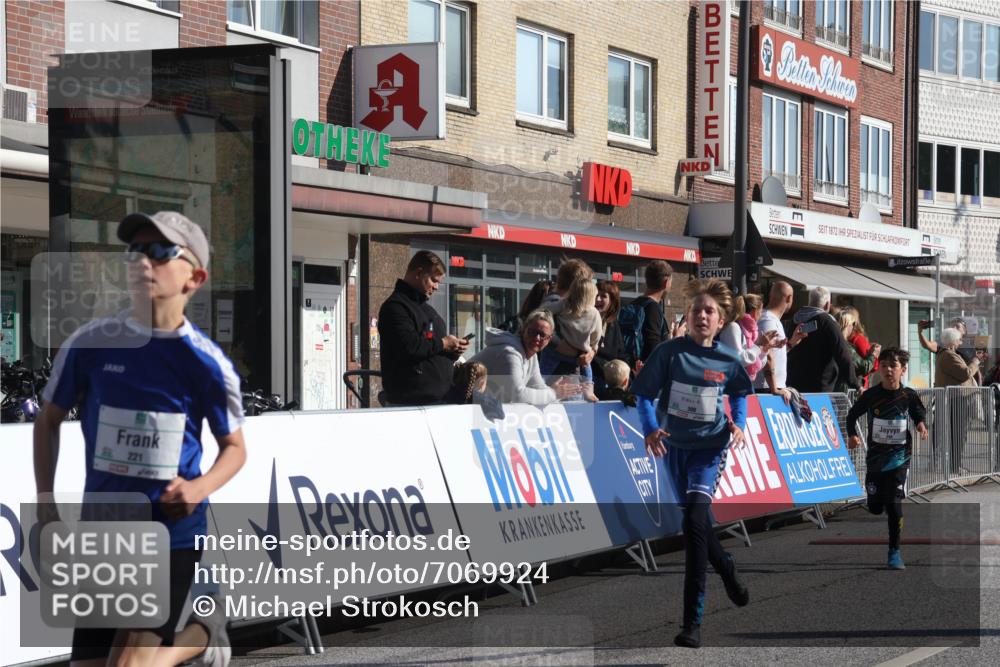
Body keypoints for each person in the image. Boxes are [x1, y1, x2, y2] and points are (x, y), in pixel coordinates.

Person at [34, 211, 246, 667]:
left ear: (196, 277)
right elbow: (47, 420)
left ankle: (199, 636)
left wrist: (198, 488)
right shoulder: (90, 344)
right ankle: (201, 636)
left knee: (129, 665)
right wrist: (46, 500)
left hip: (170, 533)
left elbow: (235, 449)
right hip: (105, 530)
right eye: (135, 252)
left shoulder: (206, 362)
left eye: (160, 252)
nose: (142, 262)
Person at [631, 278, 754, 649]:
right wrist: (651, 429)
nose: (702, 315)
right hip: (675, 450)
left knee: (695, 520)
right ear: (687, 315)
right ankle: (727, 567)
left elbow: (740, 394)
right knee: (695, 525)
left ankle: (692, 624)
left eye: (710, 311)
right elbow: (644, 396)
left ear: (720, 322)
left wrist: (740, 425)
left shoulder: (728, 359)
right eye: (697, 309)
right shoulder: (669, 353)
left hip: (709, 449)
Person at [846, 347, 929, 570]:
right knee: (875, 507)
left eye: (893, 366)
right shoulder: (871, 396)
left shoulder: (908, 395)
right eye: (884, 366)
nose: (888, 370)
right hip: (875, 459)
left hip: (900, 458)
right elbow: (852, 416)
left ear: (903, 369)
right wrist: (852, 435)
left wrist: (921, 424)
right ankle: (878, 500)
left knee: (894, 505)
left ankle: (895, 552)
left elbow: (918, 413)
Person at [377, 251, 469, 405]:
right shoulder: (396, 307)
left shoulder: (428, 310)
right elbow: (409, 346)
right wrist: (443, 344)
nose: (437, 287)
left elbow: (429, 349)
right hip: (412, 403)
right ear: (419, 273)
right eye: (434, 280)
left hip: (438, 399)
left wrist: (453, 351)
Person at [471, 310, 581, 404]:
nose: (537, 338)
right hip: (461, 405)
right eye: (532, 332)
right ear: (523, 330)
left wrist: (558, 393)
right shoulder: (509, 353)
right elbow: (518, 395)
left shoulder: (531, 356)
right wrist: (553, 393)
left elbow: (538, 386)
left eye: (542, 335)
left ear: (549, 339)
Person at [786, 287, 858, 394]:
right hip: (819, 388)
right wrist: (855, 384)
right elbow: (842, 353)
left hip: (793, 385)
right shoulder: (827, 322)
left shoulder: (794, 320)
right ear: (827, 305)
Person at [544, 277, 603, 402]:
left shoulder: (564, 304)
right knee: (587, 368)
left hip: (558, 351)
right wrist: (591, 349)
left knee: (545, 368)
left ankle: (540, 383)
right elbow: (596, 337)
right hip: (579, 355)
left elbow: (544, 311)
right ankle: (589, 390)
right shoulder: (595, 314)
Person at [539, 259, 597, 377]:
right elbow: (547, 335)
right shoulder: (558, 304)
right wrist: (579, 352)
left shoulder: (560, 304)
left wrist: (591, 351)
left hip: (568, 375)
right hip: (563, 378)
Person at [619, 260, 680, 370]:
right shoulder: (653, 308)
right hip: (646, 375)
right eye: (671, 282)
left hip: (629, 370)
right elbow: (654, 348)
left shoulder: (634, 304)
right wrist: (676, 338)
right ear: (666, 283)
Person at [934, 327, 978, 473]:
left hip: (956, 398)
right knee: (958, 434)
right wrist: (975, 363)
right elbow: (965, 373)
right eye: (959, 340)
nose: (960, 342)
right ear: (952, 342)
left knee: (957, 434)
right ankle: (954, 467)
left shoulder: (946, 354)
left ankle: (955, 466)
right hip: (957, 399)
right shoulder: (948, 355)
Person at [755, 281, 806, 403]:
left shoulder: (771, 319)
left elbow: (773, 353)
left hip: (769, 388)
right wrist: (774, 389)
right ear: (789, 298)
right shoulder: (768, 320)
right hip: (767, 389)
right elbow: (767, 355)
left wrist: (791, 343)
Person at [718, 294, 776, 382]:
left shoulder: (749, 331)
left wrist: (764, 349)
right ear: (754, 311)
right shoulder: (733, 327)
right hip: (728, 386)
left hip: (740, 385)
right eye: (761, 311)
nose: (761, 315)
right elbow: (738, 360)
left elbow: (753, 362)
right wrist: (758, 345)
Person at [592, 279, 627, 396]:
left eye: (603, 296)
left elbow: (620, 354)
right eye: (596, 295)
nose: (598, 299)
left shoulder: (613, 324)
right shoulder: (587, 321)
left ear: (612, 300)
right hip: (591, 383)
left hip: (610, 384)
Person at [834, 309, 881, 394]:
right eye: (853, 324)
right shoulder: (846, 345)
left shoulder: (832, 342)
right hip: (844, 391)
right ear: (847, 325)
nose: (853, 327)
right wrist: (873, 355)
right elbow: (863, 367)